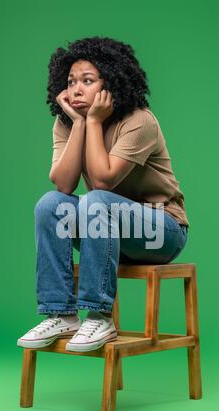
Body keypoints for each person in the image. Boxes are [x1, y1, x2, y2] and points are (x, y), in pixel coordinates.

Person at [17, 36, 189, 353]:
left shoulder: (139, 121)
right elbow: (64, 186)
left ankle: (99, 315)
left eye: (87, 81)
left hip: (160, 231)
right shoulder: (66, 122)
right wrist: (79, 124)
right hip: (105, 230)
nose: (76, 90)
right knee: (50, 204)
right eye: (70, 82)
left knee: (96, 200)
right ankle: (61, 313)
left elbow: (102, 181)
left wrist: (93, 121)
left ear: (110, 84)